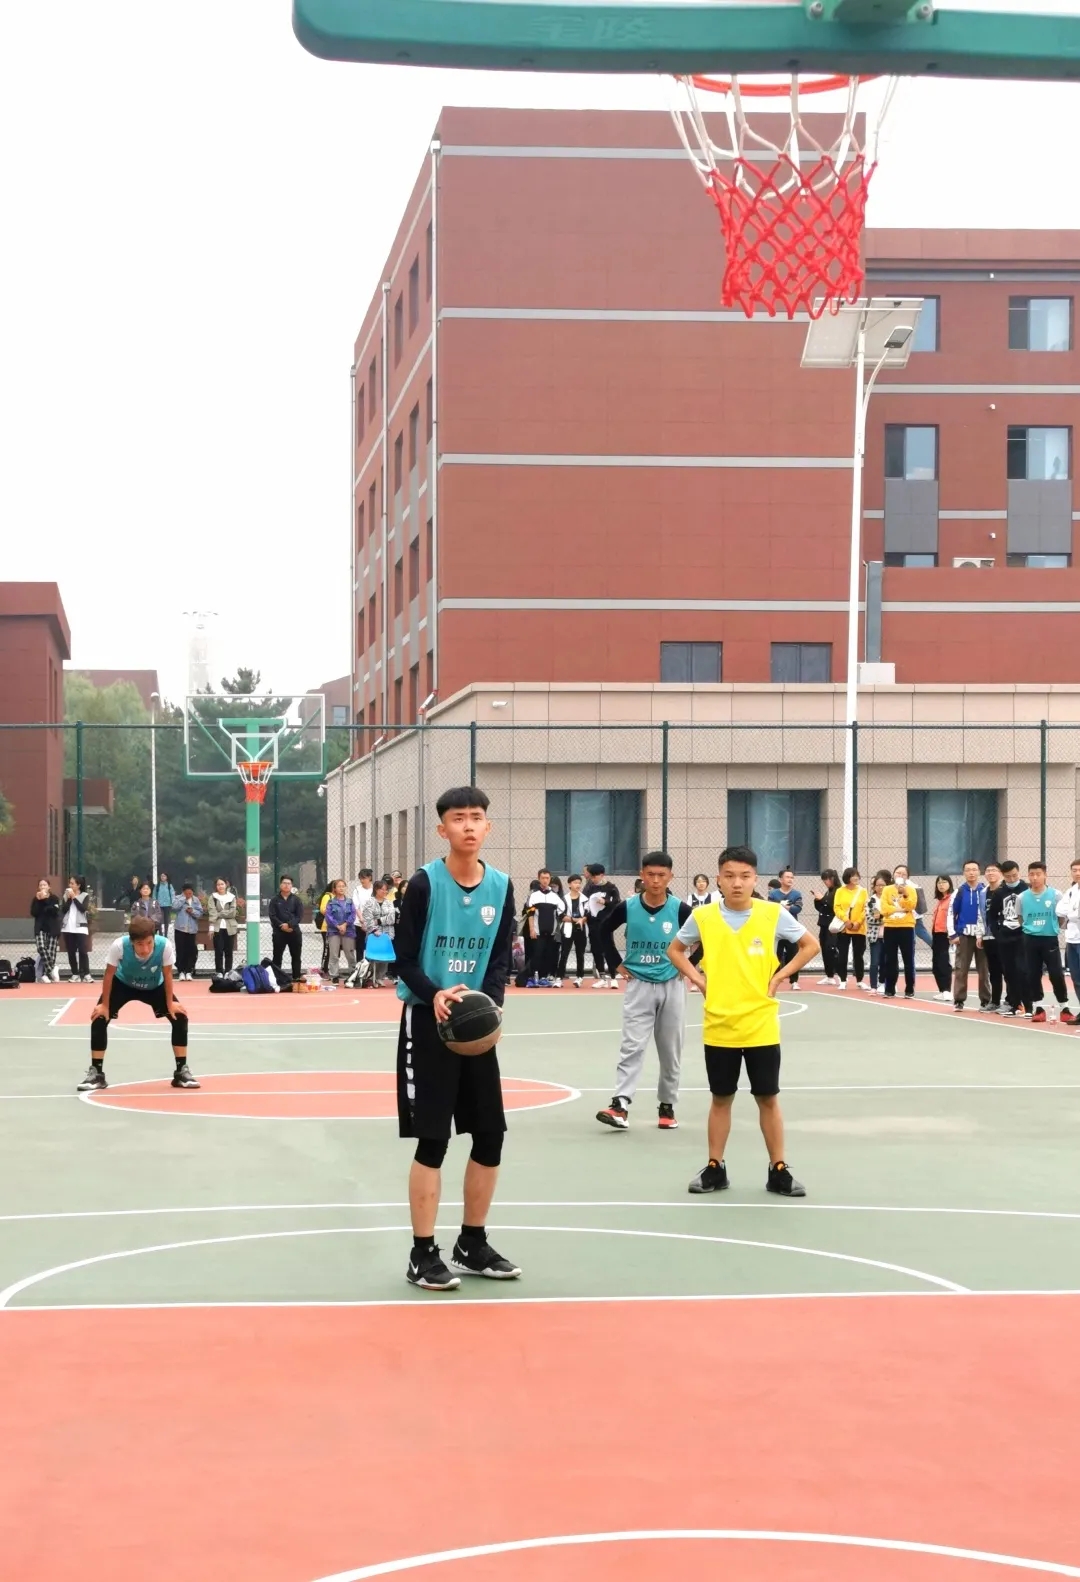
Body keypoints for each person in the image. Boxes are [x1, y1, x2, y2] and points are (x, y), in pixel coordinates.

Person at [394, 785, 519, 1292]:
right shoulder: (424, 885)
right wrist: (437, 993)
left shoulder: (502, 886)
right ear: (442, 828)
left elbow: (500, 958)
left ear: (488, 826)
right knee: (434, 1139)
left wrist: (491, 1003)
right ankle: (422, 1253)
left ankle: (472, 1242)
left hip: (474, 1023)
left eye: (476, 817)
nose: (469, 825)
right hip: (429, 1019)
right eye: (459, 818)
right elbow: (403, 959)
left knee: (490, 1134)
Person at [669, 844, 819, 1197]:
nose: (737, 883)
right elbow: (675, 950)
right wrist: (698, 979)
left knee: (768, 1098)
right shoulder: (703, 917)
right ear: (718, 879)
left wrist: (780, 976)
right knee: (721, 1098)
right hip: (719, 1023)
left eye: (745, 876)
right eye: (730, 876)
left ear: (755, 880)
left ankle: (778, 1169)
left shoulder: (772, 914)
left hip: (760, 1023)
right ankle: (715, 1167)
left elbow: (810, 945)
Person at [595, 853, 691, 1132]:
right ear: (642, 875)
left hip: (672, 985)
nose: (656, 880)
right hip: (638, 985)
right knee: (632, 1046)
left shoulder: (680, 910)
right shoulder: (628, 907)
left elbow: (705, 939)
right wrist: (615, 962)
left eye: (662, 875)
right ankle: (620, 1104)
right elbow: (602, 931)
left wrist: (688, 966)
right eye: (651, 874)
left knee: (670, 1049)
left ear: (670, 876)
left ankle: (667, 1105)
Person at [76, 915, 199, 1093]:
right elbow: (109, 974)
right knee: (99, 1018)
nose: (145, 949)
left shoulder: (164, 946)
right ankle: (97, 1073)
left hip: (154, 986)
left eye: (149, 943)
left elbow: (167, 975)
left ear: (154, 938)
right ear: (132, 941)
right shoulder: (119, 946)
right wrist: (105, 1005)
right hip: (123, 984)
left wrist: (170, 1003)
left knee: (179, 1016)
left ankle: (181, 1072)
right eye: (140, 944)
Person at [1021, 862, 1074, 1023]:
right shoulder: (1022, 897)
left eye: (1038, 874)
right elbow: (1020, 918)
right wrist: (1031, 929)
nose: (1035, 877)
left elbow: (1061, 917)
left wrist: (1052, 928)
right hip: (1030, 939)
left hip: (1049, 938)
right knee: (1033, 974)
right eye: (1031, 874)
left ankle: (1064, 1008)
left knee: (1056, 973)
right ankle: (1038, 1008)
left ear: (1045, 875)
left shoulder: (1056, 895)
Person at [986, 860, 1030, 1017]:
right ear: (1003, 876)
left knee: (1023, 970)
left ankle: (1028, 1003)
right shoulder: (999, 893)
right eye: (1008, 877)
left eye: (1014, 875)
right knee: (1009, 972)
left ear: (1019, 872)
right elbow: (991, 916)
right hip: (1005, 937)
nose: (1012, 879)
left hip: (1023, 936)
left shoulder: (1026, 889)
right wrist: (998, 934)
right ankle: (1014, 1003)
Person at [948, 860, 990, 1013]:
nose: (971, 873)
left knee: (984, 970)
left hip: (982, 937)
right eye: (968, 870)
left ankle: (986, 1000)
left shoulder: (985, 891)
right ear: (963, 873)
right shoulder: (959, 892)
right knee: (961, 969)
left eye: (974, 869)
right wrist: (953, 934)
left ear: (979, 872)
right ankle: (959, 1000)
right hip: (964, 936)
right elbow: (951, 913)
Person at [520, 870, 566, 987]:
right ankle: (532, 978)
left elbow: (561, 912)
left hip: (551, 932)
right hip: (537, 932)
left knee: (548, 955)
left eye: (547, 878)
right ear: (539, 879)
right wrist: (532, 929)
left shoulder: (555, 896)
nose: (545, 880)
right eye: (543, 878)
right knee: (536, 954)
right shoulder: (534, 895)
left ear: (550, 879)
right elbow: (530, 913)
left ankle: (543, 977)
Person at [880, 867, 918, 998]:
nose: (900, 875)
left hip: (906, 927)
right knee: (890, 959)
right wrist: (899, 909)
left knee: (908, 959)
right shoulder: (887, 889)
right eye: (898, 873)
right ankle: (889, 988)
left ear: (907, 877)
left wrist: (905, 895)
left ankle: (909, 988)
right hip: (890, 927)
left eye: (904, 874)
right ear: (893, 875)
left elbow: (911, 906)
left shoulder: (911, 890)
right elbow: (884, 909)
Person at [584, 864, 622, 987]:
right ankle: (602, 978)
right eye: (591, 877)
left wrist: (605, 902)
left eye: (595, 877)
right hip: (592, 923)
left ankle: (613, 977)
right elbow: (584, 903)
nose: (593, 879)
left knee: (608, 949)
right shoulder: (589, 888)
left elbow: (617, 903)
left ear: (602, 875)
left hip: (606, 923)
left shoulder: (611, 888)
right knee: (596, 950)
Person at [767, 868, 804, 987]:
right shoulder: (773, 894)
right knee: (775, 955)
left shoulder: (797, 894)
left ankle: (794, 981)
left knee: (793, 955)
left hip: (791, 929)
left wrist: (785, 907)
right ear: (781, 879)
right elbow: (771, 908)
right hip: (777, 928)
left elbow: (797, 909)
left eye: (792, 877)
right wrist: (784, 907)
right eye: (787, 877)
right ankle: (774, 979)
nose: (790, 879)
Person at [833, 866, 868, 990]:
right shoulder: (840, 891)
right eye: (853, 875)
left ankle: (860, 980)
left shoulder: (863, 891)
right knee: (842, 954)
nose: (856, 877)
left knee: (858, 955)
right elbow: (837, 907)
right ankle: (843, 980)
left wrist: (858, 922)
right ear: (847, 877)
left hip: (859, 928)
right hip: (844, 927)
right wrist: (846, 920)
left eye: (857, 875)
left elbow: (866, 908)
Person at [362, 879, 397, 985]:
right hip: (374, 934)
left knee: (385, 956)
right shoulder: (370, 902)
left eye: (386, 890)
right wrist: (374, 929)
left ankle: (380, 976)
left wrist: (378, 920)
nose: (385, 891)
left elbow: (392, 918)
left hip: (387, 933)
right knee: (374, 957)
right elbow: (368, 918)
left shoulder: (389, 903)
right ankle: (371, 976)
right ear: (376, 890)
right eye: (382, 889)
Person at [269, 874, 303, 979]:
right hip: (279, 932)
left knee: (296, 956)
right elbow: (272, 916)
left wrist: (289, 925)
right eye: (284, 883)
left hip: (294, 931)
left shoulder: (296, 900)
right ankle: (276, 979)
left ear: (292, 885)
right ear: (280, 885)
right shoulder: (274, 900)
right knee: (277, 957)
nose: (286, 885)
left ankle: (296, 978)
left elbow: (299, 916)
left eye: (289, 883)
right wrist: (281, 925)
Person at [981, 864, 1006, 1013]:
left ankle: (1013, 1001)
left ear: (1001, 873)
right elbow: (980, 914)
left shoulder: (1005, 891)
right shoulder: (983, 893)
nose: (990, 873)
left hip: (1004, 936)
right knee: (994, 971)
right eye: (988, 870)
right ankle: (995, 1001)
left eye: (994, 870)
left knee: (1008, 970)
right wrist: (980, 934)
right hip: (988, 936)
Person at [1056, 859, 1080, 1004]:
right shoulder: (1071, 891)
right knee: (1076, 978)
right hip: (1072, 939)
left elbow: (1075, 915)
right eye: (1074, 870)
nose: (1077, 873)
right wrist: (1073, 913)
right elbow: (1059, 910)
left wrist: (1071, 914)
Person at [558, 873, 589, 986]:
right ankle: (559, 977)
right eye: (575, 883)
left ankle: (579, 977)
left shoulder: (585, 899)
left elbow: (587, 914)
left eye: (579, 883)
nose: (578, 885)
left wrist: (582, 920)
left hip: (581, 929)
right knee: (564, 953)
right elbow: (561, 916)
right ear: (569, 884)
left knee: (580, 954)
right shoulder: (564, 899)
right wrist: (575, 920)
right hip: (568, 929)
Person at [324, 879, 358, 981]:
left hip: (349, 931)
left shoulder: (350, 902)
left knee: (350, 954)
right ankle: (334, 975)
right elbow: (328, 916)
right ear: (334, 889)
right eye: (339, 886)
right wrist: (338, 926)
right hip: (334, 931)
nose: (341, 888)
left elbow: (353, 915)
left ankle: (353, 974)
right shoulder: (331, 902)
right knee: (334, 954)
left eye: (343, 886)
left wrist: (345, 925)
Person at [813, 869, 842, 988]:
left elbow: (833, 906)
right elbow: (822, 908)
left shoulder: (839, 891)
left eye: (827, 879)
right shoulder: (828, 891)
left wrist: (822, 899)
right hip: (824, 924)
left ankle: (839, 973)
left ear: (833, 878)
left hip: (833, 925)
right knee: (824, 949)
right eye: (824, 879)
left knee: (831, 949)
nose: (825, 882)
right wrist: (817, 900)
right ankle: (829, 975)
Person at [60, 875, 92, 982]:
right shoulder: (66, 895)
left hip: (80, 927)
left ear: (78, 885)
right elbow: (64, 909)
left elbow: (83, 909)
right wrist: (69, 898)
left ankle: (86, 974)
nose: (70, 885)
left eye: (72, 883)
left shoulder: (85, 895)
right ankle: (75, 973)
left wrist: (74, 897)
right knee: (71, 951)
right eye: (70, 883)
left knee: (83, 951)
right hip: (68, 927)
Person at [31, 879, 62, 982]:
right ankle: (53, 968)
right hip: (40, 927)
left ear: (49, 887)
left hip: (52, 927)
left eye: (45, 885)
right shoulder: (36, 899)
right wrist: (39, 900)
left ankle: (45, 974)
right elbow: (34, 912)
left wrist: (45, 900)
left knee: (51, 952)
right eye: (41, 885)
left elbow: (54, 911)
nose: (42, 887)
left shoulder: (54, 898)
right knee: (41, 947)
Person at [929, 875, 955, 1000]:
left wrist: (953, 933)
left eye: (944, 882)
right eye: (939, 883)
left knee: (943, 962)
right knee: (936, 963)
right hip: (936, 933)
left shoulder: (952, 899)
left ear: (949, 884)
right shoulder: (940, 901)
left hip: (946, 933)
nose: (941, 885)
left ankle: (947, 990)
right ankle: (942, 989)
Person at [206, 877, 238, 974]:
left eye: (222, 884)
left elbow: (232, 913)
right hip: (217, 928)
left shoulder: (232, 897)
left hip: (230, 928)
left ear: (226, 884)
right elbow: (212, 912)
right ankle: (219, 972)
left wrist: (219, 913)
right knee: (218, 951)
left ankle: (228, 972)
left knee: (229, 952)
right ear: (216, 886)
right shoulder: (213, 897)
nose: (220, 886)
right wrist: (211, 927)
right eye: (218, 884)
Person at [173, 883, 203, 980]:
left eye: (190, 893)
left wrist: (192, 911)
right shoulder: (178, 898)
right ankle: (181, 971)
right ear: (183, 892)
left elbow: (200, 913)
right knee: (180, 950)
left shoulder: (196, 900)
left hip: (192, 929)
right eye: (187, 893)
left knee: (191, 950)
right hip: (180, 929)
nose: (189, 895)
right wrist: (183, 899)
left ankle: (189, 971)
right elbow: (174, 907)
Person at [867, 871, 890, 994]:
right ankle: (873, 986)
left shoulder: (891, 899)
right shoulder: (871, 901)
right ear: (874, 887)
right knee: (874, 962)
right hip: (875, 936)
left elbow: (893, 915)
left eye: (883, 885)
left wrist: (881, 917)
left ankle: (884, 983)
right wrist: (883, 918)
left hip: (889, 935)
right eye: (878, 885)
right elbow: (870, 918)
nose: (880, 887)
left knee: (886, 961)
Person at [315, 879, 335, 973]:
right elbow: (323, 910)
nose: (341, 888)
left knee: (335, 950)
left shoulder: (340, 897)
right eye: (338, 886)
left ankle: (333, 970)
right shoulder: (327, 896)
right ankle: (324, 969)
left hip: (337, 928)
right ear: (333, 887)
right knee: (328, 949)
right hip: (327, 927)